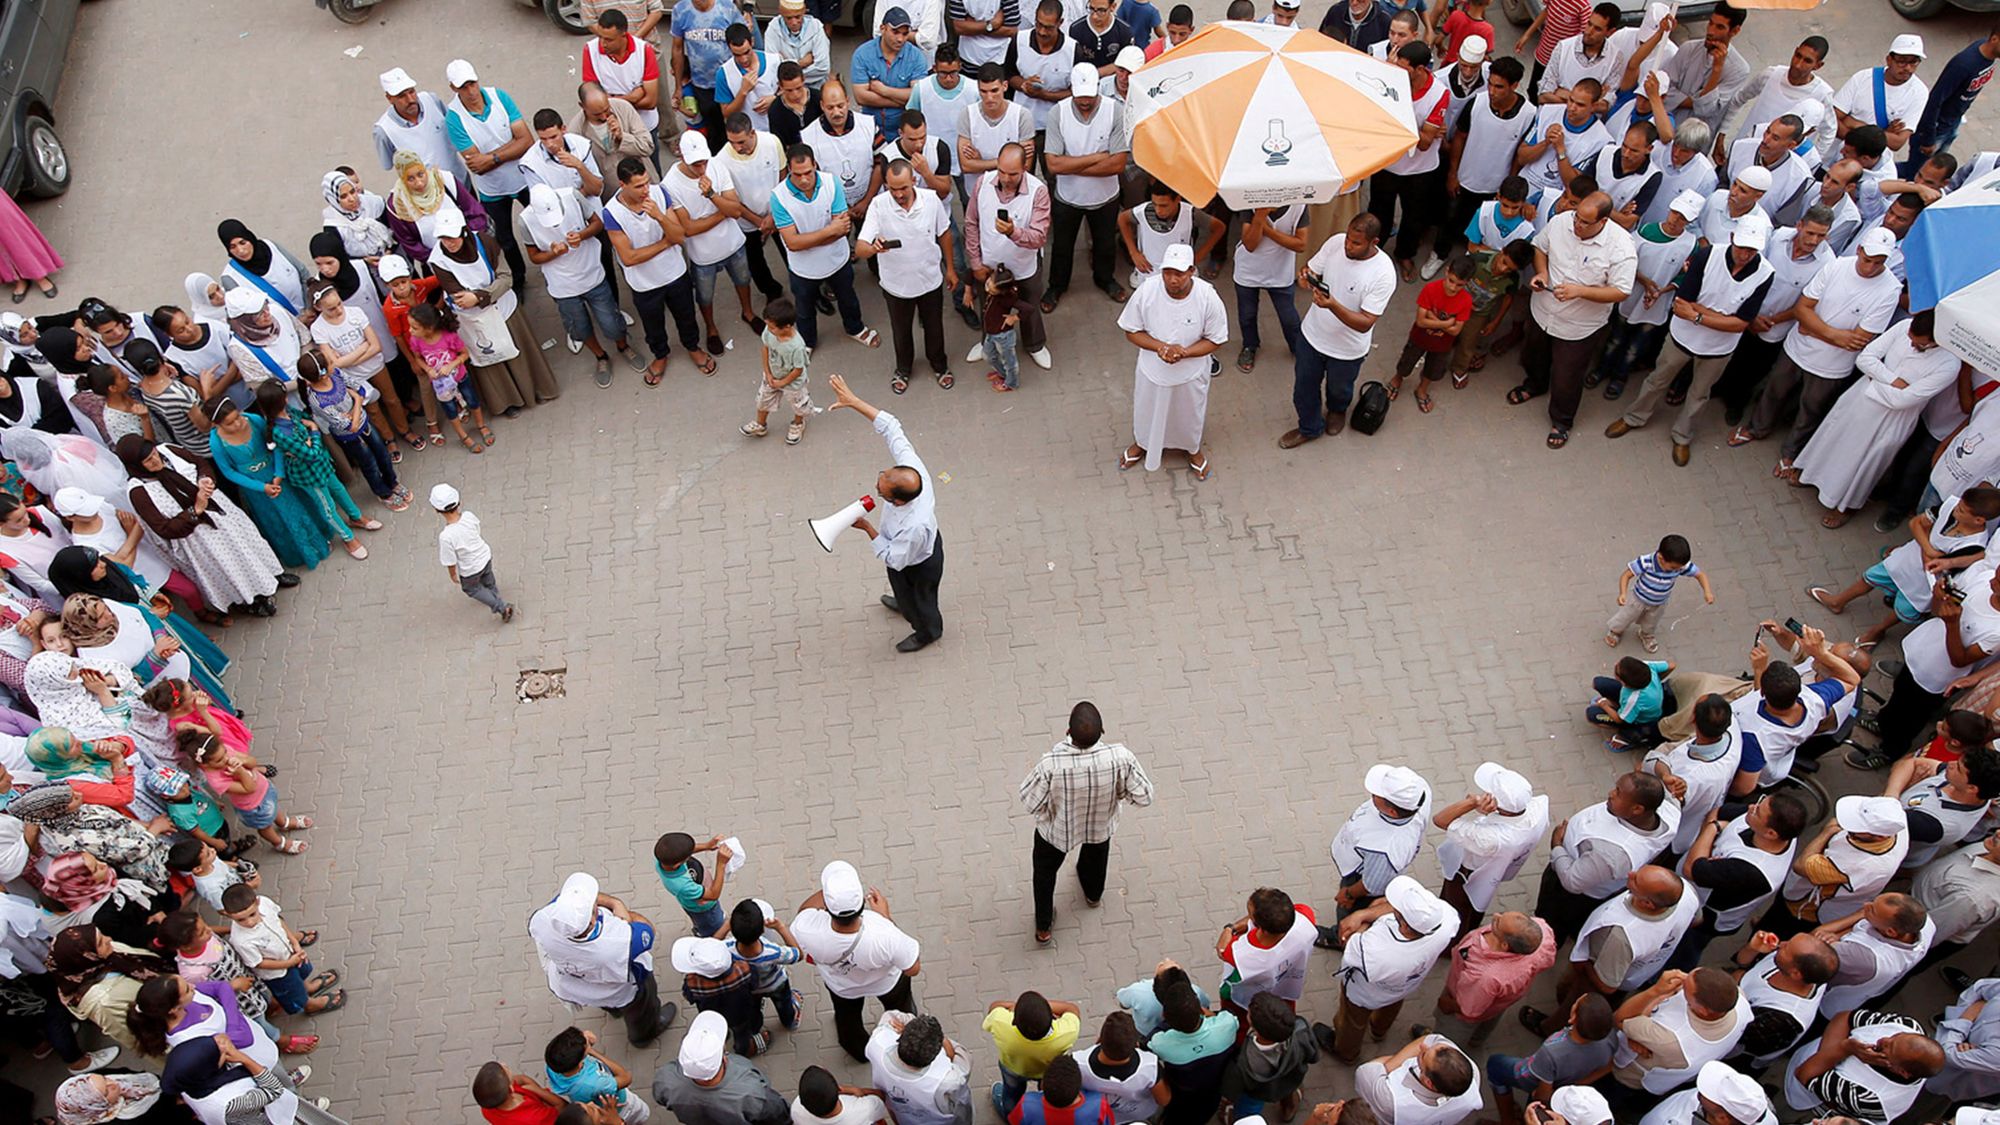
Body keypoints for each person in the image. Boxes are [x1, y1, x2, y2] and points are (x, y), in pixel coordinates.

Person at [1605, 212, 1776, 465]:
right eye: (1742, 247)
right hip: (1682, 337)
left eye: (1752, 250)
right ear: (1732, 238)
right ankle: (1634, 417)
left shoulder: (1765, 273)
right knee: (1657, 380)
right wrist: (1724, 317)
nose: (1745, 254)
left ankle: (1682, 435)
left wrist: (1698, 315)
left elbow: (1740, 324)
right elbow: (1682, 303)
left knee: (1699, 394)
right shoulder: (1707, 256)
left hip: (1719, 348)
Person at [1793, 311, 1967, 527]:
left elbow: (1905, 400)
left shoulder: (1949, 365)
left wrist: (1874, 379)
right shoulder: (1903, 325)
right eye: (1910, 339)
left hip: (1892, 419)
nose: (1912, 345)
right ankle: (1810, 475)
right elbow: (1865, 358)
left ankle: (1845, 506)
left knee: (1866, 462)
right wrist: (1892, 380)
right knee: (1834, 440)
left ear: (1936, 341)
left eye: (1919, 344)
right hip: (1858, 402)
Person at [1508, 192, 1637, 450]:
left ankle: (1562, 420)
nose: (1576, 224)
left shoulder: (1622, 248)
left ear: (1603, 222)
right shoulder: (1561, 222)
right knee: (1534, 355)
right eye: (1577, 217)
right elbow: (1540, 248)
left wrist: (1581, 291)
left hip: (1579, 326)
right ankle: (1535, 384)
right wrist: (1542, 273)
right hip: (1543, 310)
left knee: (1567, 376)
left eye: (1584, 222)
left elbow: (1621, 291)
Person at [825, 374, 944, 653]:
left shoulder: (914, 526)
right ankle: (903, 602)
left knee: (922, 600)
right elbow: (892, 428)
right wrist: (854, 402)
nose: (878, 484)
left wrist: (868, 529)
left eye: (881, 489)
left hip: (916, 563)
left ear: (897, 501)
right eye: (883, 474)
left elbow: (894, 558)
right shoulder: (912, 470)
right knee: (903, 589)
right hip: (905, 552)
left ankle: (927, 631)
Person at [1017, 700, 1151, 946]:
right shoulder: (1121, 757)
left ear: (1068, 731)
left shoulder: (1051, 764)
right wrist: (1120, 794)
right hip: (1100, 825)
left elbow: (1029, 801)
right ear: (1103, 732)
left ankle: (1043, 927)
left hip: (1057, 832)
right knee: (1096, 858)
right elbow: (1144, 796)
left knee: (1044, 874)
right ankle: (1092, 895)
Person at [113, 436, 288, 620]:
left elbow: (200, 463)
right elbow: (164, 528)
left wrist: (205, 479)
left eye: (154, 454)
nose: (156, 460)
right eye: (148, 460)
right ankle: (251, 601)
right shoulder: (138, 490)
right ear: (136, 466)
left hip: (219, 511)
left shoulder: (168, 450)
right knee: (229, 566)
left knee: (248, 543)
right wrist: (195, 510)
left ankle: (273, 575)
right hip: (198, 536)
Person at [429, 209, 561, 415]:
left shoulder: (485, 242)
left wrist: (479, 296)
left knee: (517, 350)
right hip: (473, 319)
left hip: (503, 309)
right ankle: (507, 402)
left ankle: (534, 389)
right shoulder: (438, 260)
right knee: (490, 360)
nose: (449, 243)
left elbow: (506, 277)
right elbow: (459, 297)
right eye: (443, 238)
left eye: (452, 237)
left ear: (463, 231)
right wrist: (482, 296)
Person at [1280, 215, 1395, 449]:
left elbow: (1365, 322)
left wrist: (1332, 305)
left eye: (1356, 243)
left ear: (1374, 242)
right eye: (1348, 239)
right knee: (1303, 389)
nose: (1348, 246)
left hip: (1347, 350)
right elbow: (1311, 270)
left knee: (1339, 389)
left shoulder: (1383, 274)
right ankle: (1309, 428)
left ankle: (1337, 410)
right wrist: (1307, 278)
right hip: (1312, 336)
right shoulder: (1335, 243)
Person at [1116, 243, 1226, 480]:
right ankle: (1142, 443)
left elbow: (1216, 339)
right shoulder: (1147, 290)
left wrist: (1184, 353)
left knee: (1190, 413)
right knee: (1146, 410)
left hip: (1191, 374)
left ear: (1192, 271)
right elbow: (1131, 330)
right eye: (1167, 272)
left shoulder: (1207, 296)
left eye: (1179, 273)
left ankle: (1192, 449)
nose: (1172, 279)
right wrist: (1161, 348)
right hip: (1152, 370)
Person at [1315, 877, 1453, 1065]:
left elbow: (1350, 942)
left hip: (1365, 995)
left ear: (1405, 926)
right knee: (1391, 1006)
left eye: (1397, 908)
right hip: (1403, 986)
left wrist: (1364, 916)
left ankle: (1346, 1052)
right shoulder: (1447, 920)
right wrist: (1369, 913)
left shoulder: (1375, 950)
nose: (1391, 904)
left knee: (1352, 1022)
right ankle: (1378, 1031)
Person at [529, 872, 677, 1046]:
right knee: (641, 1010)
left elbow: (564, 901)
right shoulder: (617, 943)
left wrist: (613, 903)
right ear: (592, 920)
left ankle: (615, 1011)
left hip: (580, 986)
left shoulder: (543, 920)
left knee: (610, 1004)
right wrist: (622, 911)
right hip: (623, 988)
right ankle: (643, 1035)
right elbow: (648, 929)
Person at [605, 157, 717, 385]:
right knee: (653, 325)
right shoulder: (611, 213)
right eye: (639, 186)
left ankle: (692, 347)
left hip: (674, 273)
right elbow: (629, 258)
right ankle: (660, 355)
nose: (646, 189)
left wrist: (659, 216)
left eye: (647, 182)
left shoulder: (659, 193)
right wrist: (665, 243)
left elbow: (679, 235)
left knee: (686, 316)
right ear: (622, 185)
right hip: (644, 283)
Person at [521, 183, 644, 389]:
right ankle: (601, 356)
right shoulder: (525, 220)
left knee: (611, 322)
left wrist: (582, 235)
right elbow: (534, 256)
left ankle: (623, 346)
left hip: (591, 273)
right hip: (562, 285)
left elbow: (597, 223)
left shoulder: (572, 196)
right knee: (580, 327)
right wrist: (552, 253)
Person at [1535, 771, 1677, 942]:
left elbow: (1572, 881)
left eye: (1618, 792)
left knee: (1553, 923)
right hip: (1593, 877)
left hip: (1571, 894)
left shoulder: (1612, 855)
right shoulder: (1670, 810)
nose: (1611, 793)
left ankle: (1545, 943)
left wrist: (1557, 846)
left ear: (1637, 809)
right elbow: (1659, 771)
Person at [857, 158, 956, 393]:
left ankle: (939, 365)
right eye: (892, 189)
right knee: (901, 331)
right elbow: (860, 248)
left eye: (903, 187)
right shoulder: (878, 205)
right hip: (896, 286)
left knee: (934, 328)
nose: (898, 194)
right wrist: (874, 248)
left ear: (914, 180)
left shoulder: (931, 200)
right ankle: (903, 369)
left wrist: (951, 269)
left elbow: (944, 234)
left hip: (930, 280)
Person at [251, 382, 377, 561]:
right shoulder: (279, 431)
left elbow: (306, 426)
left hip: (322, 465)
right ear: (282, 400)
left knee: (338, 489)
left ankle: (356, 517)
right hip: (308, 474)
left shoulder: (290, 413)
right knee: (327, 507)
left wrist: (309, 435)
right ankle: (348, 538)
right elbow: (311, 455)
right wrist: (314, 431)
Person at [771, 146, 879, 353]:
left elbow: (842, 230)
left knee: (848, 299)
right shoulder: (778, 196)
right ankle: (808, 342)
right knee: (804, 310)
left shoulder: (831, 182)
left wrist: (806, 240)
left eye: (808, 172)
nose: (803, 179)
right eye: (797, 174)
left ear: (815, 165)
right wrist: (828, 231)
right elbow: (792, 243)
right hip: (803, 269)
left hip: (837, 260)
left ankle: (855, 328)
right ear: (789, 170)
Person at [665, 133, 763, 359]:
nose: (702, 168)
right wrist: (723, 212)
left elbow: (736, 210)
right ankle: (711, 328)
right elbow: (688, 228)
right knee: (705, 296)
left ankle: (748, 312)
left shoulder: (717, 166)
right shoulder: (670, 184)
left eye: (704, 162)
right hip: (703, 255)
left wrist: (711, 195)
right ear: (682, 157)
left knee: (743, 280)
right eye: (696, 164)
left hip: (733, 243)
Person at [1042, 63, 1129, 311]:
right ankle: (1057, 285)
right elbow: (1053, 164)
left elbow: (1117, 164)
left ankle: (1105, 279)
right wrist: (1097, 157)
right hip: (1067, 196)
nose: (1084, 102)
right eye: (1080, 96)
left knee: (1105, 244)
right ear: (1071, 89)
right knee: (1062, 246)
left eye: (1089, 96)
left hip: (1105, 197)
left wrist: (1071, 165)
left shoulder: (1115, 111)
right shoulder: (1058, 113)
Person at [444, 60, 535, 286]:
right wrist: (511, 147)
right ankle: (519, 279)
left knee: (542, 220)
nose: (471, 91)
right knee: (504, 239)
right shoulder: (454, 118)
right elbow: (477, 166)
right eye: (463, 87)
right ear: (453, 88)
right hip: (493, 191)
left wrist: (491, 158)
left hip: (524, 177)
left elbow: (527, 141)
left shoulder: (499, 97)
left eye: (472, 83)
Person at [1433, 763, 1548, 937]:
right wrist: (1491, 813)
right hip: (1497, 868)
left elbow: (1440, 820)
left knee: (1457, 907)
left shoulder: (1490, 839)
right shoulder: (1539, 806)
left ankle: (1449, 939)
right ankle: (1468, 928)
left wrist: (1471, 803)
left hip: (1470, 873)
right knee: (1476, 905)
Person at [1773, 797, 1910, 933]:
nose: (1849, 826)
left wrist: (1826, 832)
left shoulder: (1858, 864)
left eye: (1858, 827)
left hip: (1805, 908)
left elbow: (1801, 866)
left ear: (1880, 836)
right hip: (1842, 900)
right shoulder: (1895, 822)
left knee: (1778, 928)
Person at [1783, 1009, 1944, 1124]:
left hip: (1805, 1102)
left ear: (1902, 1071)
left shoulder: (1872, 1098)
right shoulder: (1908, 1026)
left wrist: (1845, 1048)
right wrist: (1829, 1053)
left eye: (1889, 1048)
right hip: (1805, 1056)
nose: (1883, 1040)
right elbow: (1844, 1017)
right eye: (1895, 1036)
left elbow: (1804, 1073)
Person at [1426, 912, 1555, 1049]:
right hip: (1497, 1003)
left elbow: (1470, 1009)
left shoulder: (1485, 977)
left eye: (1497, 923)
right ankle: (1476, 1040)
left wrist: (1450, 1005)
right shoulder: (1541, 930)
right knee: (1488, 1019)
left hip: (1463, 1002)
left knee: (1450, 1035)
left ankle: (1438, 1046)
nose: (1495, 915)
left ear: (1504, 945)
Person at [653, 1010, 789, 1125]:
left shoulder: (664, 1079)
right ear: (723, 1056)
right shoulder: (751, 1093)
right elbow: (778, 1113)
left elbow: (661, 1099)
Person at [1814, 892, 1934, 1016]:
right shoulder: (1926, 925)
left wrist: (1858, 915)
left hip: (1828, 1001)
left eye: (1872, 910)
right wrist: (1839, 935)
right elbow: (1864, 927)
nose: (1865, 905)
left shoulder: (1865, 956)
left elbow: (1813, 940)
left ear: (1891, 932)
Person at [718, 113, 791, 303]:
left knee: (792, 252)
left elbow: (783, 176)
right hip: (747, 222)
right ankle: (771, 291)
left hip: (778, 212)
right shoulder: (722, 160)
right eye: (732, 142)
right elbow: (733, 201)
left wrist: (774, 215)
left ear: (752, 133)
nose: (736, 147)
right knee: (755, 262)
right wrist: (760, 222)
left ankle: (809, 291)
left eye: (741, 142)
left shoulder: (772, 142)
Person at [1148, 972, 1237, 1125]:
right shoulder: (1227, 1025)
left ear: (1165, 1016)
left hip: (1182, 1094)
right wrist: (1210, 1015)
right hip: (1214, 1090)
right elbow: (1230, 1017)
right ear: (1201, 1009)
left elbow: (1150, 1040)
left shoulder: (1161, 1044)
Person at [1391, 255, 1474, 415]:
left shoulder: (1466, 300)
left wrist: (1432, 317)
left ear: (1467, 282)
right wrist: (1447, 323)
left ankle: (1422, 389)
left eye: (1459, 285)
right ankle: (1397, 378)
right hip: (1419, 338)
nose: (1453, 288)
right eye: (1451, 281)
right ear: (1446, 272)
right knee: (1407, 361)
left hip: (1442, 345)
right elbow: (1421, 321)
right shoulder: (1431, 289)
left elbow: (1456, 331)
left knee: (1433, 369)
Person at [1911, 26, 2000, 175]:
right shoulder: (1963, 65)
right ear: (1995, 39)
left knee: (1937, 174)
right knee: (1917, 174)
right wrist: (1928, 138)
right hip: (1936, 129)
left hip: (1952, 123)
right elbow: (1934, 100)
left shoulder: (1988, 54)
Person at [1230, 203, 1305, 374]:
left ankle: (1298, 347)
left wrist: (1267, 230)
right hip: (1248, 270)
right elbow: (1250, 245)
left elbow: (1300, 244)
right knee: (1247, 315)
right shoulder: (1249, 202)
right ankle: (1249, 346)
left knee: (1289, 317)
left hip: (1280, 271)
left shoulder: (1299, 205)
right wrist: (1260, 216)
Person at [1605, 534, 1713, 653]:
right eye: (1673, 567)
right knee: (1625, 617)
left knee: (1651, 622)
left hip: (1659, 602)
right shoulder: (1646, 562)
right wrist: (1623, 593)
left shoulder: (1680, 565)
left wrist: (1707, 591)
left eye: (1679, 568)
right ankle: (1616, 631)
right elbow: (1626, 575)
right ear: (1661, 558)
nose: (1677, 570)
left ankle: (1646, 634)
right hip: (1638, 599)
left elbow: (1700, 575)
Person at [407, 301, 491, 452]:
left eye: (414, 327)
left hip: (460, 376)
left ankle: (481, 425)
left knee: (472, 400)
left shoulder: (449, 336)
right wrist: (428, 369)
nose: (410, 330)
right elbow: (418, 358)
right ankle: (463, 436)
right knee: (450, 410)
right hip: (441, 385)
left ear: (429, 328)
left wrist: (451, 365)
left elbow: (464, 354)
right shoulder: (415, 341)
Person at [585, 10, 668, 162]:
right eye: (600, 37)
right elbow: (594, 100)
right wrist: (633, 97)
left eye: (609, 39)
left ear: (623, 35)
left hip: (644, 127)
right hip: (611, 129)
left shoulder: (644, 50)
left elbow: (651, 102)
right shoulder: (590, 51)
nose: (602, 44)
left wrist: (611, 100)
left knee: (652, 168)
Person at [1216, 887, 1315, 1015]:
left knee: (1239, 1013)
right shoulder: (1306, 917)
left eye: (1250, 915)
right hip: (1285, 986)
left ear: (1260, 926)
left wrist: (1229, 928)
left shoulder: (1242, 953)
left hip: (1249, 996)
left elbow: (1222, 950)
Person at [383, 151, 489, 266]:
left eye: (421, 174)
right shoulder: (397, 204)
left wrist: (469, 242)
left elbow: (474, 212)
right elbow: (409, 243)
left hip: (472, 249)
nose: (419, 183)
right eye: (410, 179)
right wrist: (440, 260)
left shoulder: (444, 180)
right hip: (440, 263)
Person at [1831, 35, 1931, 158]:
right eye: (1901, 61)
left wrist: (1855, 124)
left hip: (1872, 160)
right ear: (1889, 60)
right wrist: (1880, 135)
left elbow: (1897, 142)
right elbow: (1832, 118)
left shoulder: (1919, 92)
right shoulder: (1862, 78)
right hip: (1836, 151)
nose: (1908, 68)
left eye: (1913, 62)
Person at [1657, 4, 1750, 135]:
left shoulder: (1739, 70)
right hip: (1666, 126)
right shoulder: (1688, 49)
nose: (1711, 31)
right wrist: (1697, 103)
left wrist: (1716, 71)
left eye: (1719, 27)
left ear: (1735, 31)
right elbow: (1663, 90)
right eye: (1710, 23)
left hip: (1696, 138)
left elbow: (1708, 110)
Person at [985, 989, 1082, 1115]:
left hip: (1013, 1069)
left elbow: (994, 1006)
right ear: (1053, 1017)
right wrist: (1042, 1008)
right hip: (1047, 1073)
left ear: (1014, 1021)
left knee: (1011, 1093)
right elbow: (1072, 1009)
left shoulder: (1001, 1023)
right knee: (1046, 1093)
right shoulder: (1066, 1032)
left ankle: (1011, 1114)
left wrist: (1015, 1007)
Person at [1353, 1034, 1481, 1125]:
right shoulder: (1472, 1074)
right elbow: (1432, 1039)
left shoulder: (1390, 1099)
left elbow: (1368, 1070)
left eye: (1423, 1055)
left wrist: (1391, 1066)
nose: (1422, 1047)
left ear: (1428, 1082)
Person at [431, 483, 514, 621]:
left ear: (436, 510)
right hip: (484, 555)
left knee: (472, 589)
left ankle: (501, 606)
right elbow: (477, 531)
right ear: (458, 502)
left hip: (470, 569)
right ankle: (494, 594)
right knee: (488, 578)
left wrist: (453, 574)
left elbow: (450, 560)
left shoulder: (446, 536)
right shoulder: (469, 516)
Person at [674, 935, 766, 1057]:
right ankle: (743, 1050)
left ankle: (723, 1036)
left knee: (716, 1029)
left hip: (712, 1016)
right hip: (741, 1013)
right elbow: (754, 985)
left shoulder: (693, 983)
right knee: (742, 1033)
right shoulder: (743, 969)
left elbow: (689, 997)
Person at [727, 899, 805, 1034]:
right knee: (784, 1003)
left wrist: (726, 926)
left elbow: (710, 945)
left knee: (752, 1009)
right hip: (776, 985)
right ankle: (789, 1021)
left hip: (749, 988)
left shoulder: (726, 948)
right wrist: (781, 928)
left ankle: (754, 1028)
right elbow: (798, 955)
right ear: (763, 929)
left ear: (733, 929)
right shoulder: (773, 952)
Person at [741, 297, 812, 443]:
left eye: (772, 327)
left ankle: (798, 423)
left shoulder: (797, 347)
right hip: (772, 376)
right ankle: (760, 424)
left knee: (799, 405)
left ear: (787, 327)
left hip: (793, 382)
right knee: (763, 400)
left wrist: (782, 383)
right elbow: (765, 349)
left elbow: (798, 370)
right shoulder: (769, 332)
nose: (768, 329)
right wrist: (767, 373)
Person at [1927, 972, 2000, 1100]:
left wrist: (1968, 1015)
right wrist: (1964, 1017)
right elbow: (1979, 987)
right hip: (1942, 1038)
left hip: (1942, 1080)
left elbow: (1947, 1055)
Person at [653, 831, 734, 935]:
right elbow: (713, 895)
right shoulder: (682, 885)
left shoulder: (663, 858)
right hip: (705, 909)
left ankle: (700, 927)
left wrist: (707, 846)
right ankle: (705, 934)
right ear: (678, 864)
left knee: (702, 922)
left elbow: (686, 851)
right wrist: (721, 864)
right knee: (713, 926)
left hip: (694, 900)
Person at [716, 26, 778, 133]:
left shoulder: (774, 61)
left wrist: (775, 99)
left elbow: (789, 90)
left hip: (777, 128)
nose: (743, 59)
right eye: (737, 55)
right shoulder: (724, 73)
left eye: (746, 52)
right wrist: (743, 92)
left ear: (752, 42)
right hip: (750, 133)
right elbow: (726, 113)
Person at [766, 0, 831, 93]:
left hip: (816, 85)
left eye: (798, 17)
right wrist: (801, 63)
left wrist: (788, 68)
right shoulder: (773, 29)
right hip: (788, 90)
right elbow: (772, 66)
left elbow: (823, 68)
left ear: (804, 12)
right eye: (788, 18)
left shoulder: (816, 27)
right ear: (781, 14)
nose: (794, 22)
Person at [791, 1066, 889, 1125]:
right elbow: (880, 1096)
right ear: (839, 1089)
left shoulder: (796, 1108)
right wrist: (855, 1090)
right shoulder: (865, 1109)